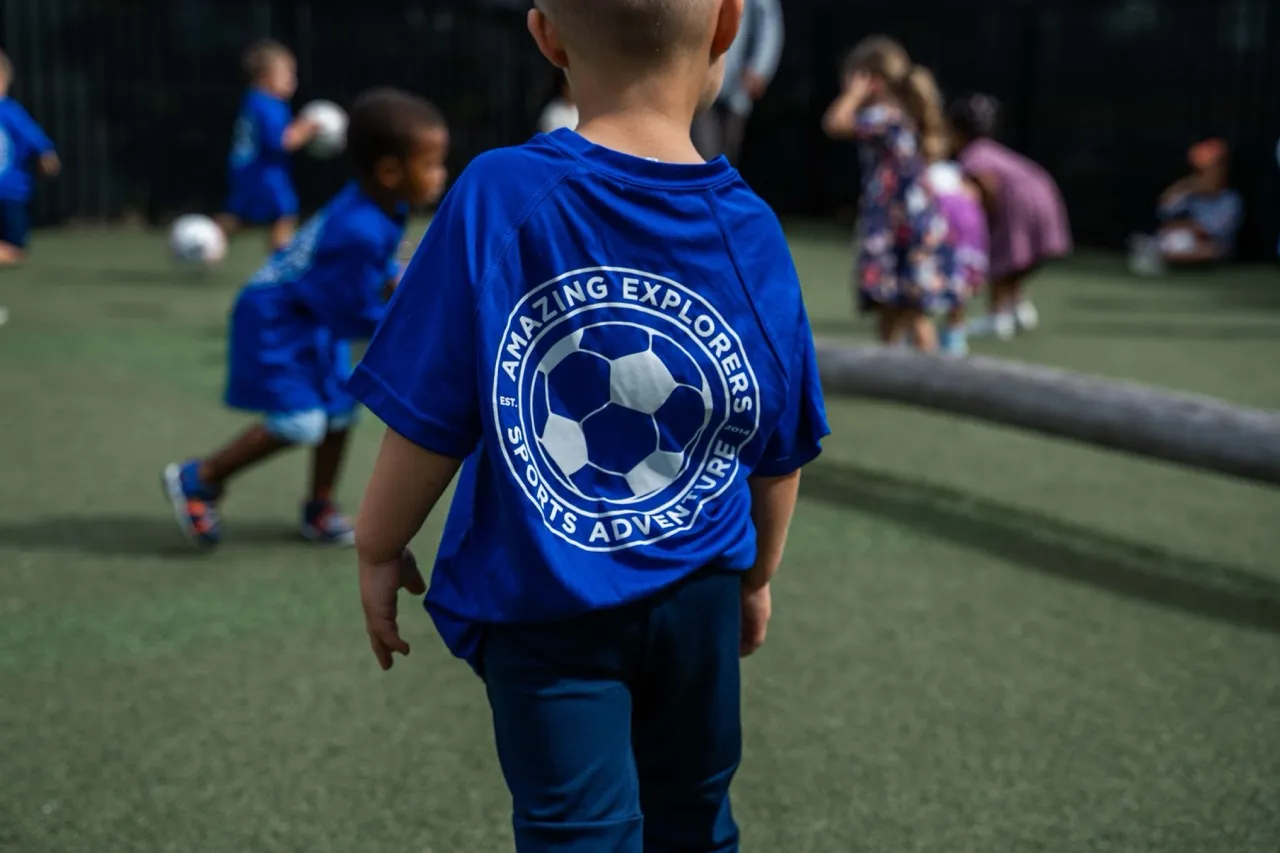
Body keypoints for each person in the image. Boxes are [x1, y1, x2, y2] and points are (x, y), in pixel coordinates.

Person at [348, 0, 829, 850]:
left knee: (576, 831)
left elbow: (429, 412)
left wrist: (379, 543)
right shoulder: (751, 227)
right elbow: (777, 448)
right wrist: (756, 578)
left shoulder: (497, 193)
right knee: (694, 815)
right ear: (728, 26)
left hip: (545, 598)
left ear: (546, 36)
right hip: (699, 593)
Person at [163, 89, 449, 548]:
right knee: (300, 422)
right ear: (390, 172)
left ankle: (319, 508)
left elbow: (369, 277)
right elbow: (352, 314)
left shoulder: (382, 205)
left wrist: (397, 280)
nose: (441, 174)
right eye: (431, 164)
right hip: (277, 321)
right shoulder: (359, 230)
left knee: (340, 409)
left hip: (311, 316)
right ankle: (200, 478)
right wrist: (417, 324)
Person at [822, 36, 959, 353]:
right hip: (909, 225)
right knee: (897, 311)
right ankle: (894, 369)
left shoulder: (884, 116)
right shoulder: (901, 116)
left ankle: (929, 373)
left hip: (897, 228)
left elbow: (835, 123)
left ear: (873, 81)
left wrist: (853, 95)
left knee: (910, 312)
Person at [948, 94, 1071, 340]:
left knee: (1003, 253)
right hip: (1044, 192)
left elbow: (986, 186)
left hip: (1018, 202)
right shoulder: (991, 150)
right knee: (1020, 257)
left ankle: (998, 316)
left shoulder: (973, 155)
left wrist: (983, 220)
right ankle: (1017, 308)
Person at [217, 40, 321, 253]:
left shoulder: (252, 100)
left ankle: (205, 234)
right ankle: (280, 256)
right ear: (265, 77)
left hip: (247, 170)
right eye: (286, 74)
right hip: (264, 172)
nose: (292, 80)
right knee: (285, 213)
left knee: (242, 218)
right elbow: (282, 142)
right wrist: (306, 129)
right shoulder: (269, 105)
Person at [1128, 138, 1242, 276]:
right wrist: (1186, 186)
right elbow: (1164, 210)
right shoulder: (1191, 195)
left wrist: (1187, 226)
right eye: (1200, 173)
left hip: (1213, 248)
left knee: (1211, 249)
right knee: (1172, 236)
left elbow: (1210, 232)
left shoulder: (1230, 200)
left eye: (1210, 173)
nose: (1204, 178)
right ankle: (1157, 254)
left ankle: (1160, 256)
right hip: (1186, 241)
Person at [691, 0, 782, 165]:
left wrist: (759, 68)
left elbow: (769, 23)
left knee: (729, 153)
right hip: (698, 81)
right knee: (705, 152)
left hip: (737, 86)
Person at [0, 47, 61, 281]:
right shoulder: (11, 111)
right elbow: (40, 145)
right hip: (11, 193)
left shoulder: (10, 112)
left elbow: (37, 142)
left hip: (11, 194)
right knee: (13, 251)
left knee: (15, 250)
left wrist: (46, 158)